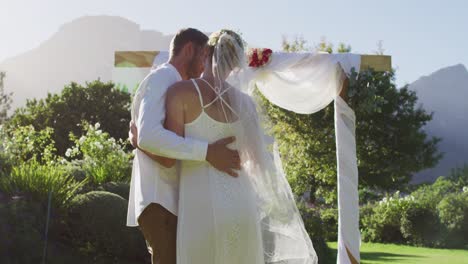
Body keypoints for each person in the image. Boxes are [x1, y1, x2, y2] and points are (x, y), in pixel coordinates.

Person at [155, 29, 319, 264]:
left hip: (200, 204)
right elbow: (254, 159)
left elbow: (170, 152)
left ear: (205, 52)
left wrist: (137, 137)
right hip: (242, 204)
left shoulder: (180, 92)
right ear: (236, 64)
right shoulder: (247, 104)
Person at [126, 28, 241, 264]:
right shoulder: (162, 78)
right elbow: (150, 136)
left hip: (173, 200)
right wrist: (208, 152)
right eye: (203, 57)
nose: (205, 66)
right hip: (160, 200)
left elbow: (146, 140)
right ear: (189, 49)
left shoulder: (177, 84)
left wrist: (139, 142)